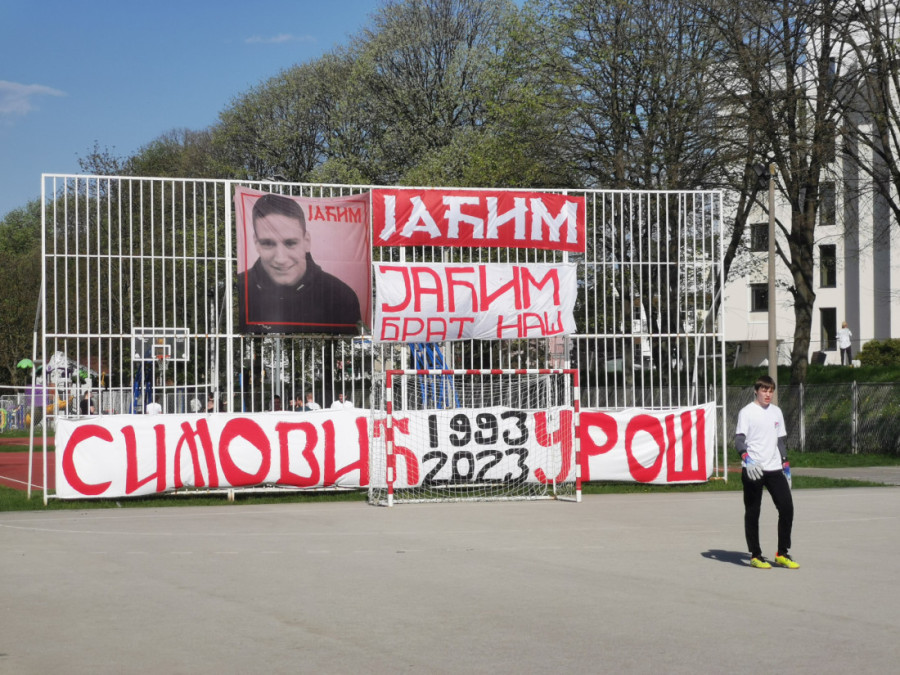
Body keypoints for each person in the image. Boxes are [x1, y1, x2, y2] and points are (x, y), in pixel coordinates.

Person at [237, 193, 361, 334]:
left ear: (306, 241)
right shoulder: (239, 289)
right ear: (256, 243)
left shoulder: (340, 296)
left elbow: (349, 349)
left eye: (290, 243)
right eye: (268, 244)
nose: (281, 258)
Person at [735, 374, 799, 569]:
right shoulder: (747, 412)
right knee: (753, 511)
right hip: (753, 469)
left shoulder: (776, 412)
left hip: (774, 468)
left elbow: (780, 441)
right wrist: (746, 458)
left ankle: (782, 553)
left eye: (771, 390)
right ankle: (755, 554)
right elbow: (739, 439)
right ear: (756, 390)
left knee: (787, 507)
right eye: (764, 390)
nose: (768, 394)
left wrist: (786, 465)